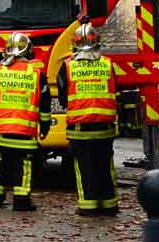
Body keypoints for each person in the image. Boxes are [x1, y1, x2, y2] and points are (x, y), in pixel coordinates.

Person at [0, 32, 51, 211]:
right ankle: (21, 200)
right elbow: (44, 106)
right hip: (25, 133)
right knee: (24, 165)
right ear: (29, 52)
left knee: (1, 163)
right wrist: (45, 127)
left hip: (1, 131)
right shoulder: (36, 75)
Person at [58, 22, 119, 216]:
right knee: (105, 167)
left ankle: (88, 207)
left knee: (85, 168)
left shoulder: (67, 66)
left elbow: (62, 97)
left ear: (75, 44)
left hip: (80, 129)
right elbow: (114, 89)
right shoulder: (108, 64)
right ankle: (110, 205)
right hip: (105, 128)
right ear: (97, 42)